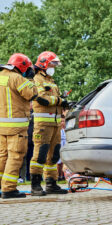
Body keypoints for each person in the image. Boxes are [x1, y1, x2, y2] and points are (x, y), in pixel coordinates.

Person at [0, 53, 57, 199]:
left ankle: (2, 186)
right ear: (22, 66)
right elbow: (32, 93)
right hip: (16, 127)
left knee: (2, 157)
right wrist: (30, 78)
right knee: (15, 156)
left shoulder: (1, 76)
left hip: (1, 126)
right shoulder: (17, 78)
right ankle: (9, 189)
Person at [30, 51, 70, 196]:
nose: (54, 66)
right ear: (44, 63)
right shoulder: (37, 79)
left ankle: (51, 184)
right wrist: (60, 101)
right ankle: (35, 185)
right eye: (52, 63)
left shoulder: (51, 81)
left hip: (55, 124)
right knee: (39, 155)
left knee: (53, 156)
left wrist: (64, 104)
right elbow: (42, 99)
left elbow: (53, 99)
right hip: (42, 125)